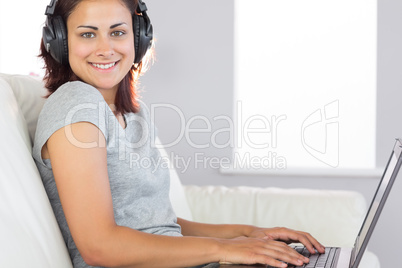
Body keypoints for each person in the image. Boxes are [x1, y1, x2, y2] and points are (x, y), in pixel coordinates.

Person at [33, 0, 325, 267]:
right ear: (59, 42)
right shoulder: (75, 103)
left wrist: (249, 233)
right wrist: (223, 249)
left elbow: (160, 225)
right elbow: (100, 247)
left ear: (139, 38)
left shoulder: (132, 114)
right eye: (87, 34)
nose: (105, 48)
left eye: (118, 33)